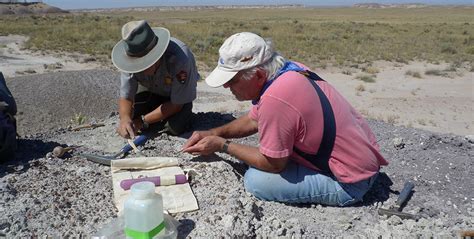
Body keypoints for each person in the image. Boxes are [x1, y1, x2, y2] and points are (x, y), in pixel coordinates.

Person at [182, 32, 388, 206]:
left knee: (255, 181)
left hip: (351, 183)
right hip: (363, 163)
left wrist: (222, 145)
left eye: (232, 80)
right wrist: (213, 133)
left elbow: (273, 164)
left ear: (259, 75)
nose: (227, 87)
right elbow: (254, 120)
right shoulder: (288, 70)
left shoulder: (276, 99)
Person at [111, 20, 199, 138]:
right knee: (131, 117)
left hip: (177, 96)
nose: (142, 69)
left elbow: (176, 104)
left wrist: (142, 121)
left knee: (175, 127)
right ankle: (153, 117)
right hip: (150, 90)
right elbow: (126, 96)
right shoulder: (130, 57)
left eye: (146, 64)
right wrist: (125, 118)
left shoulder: (180, 58)